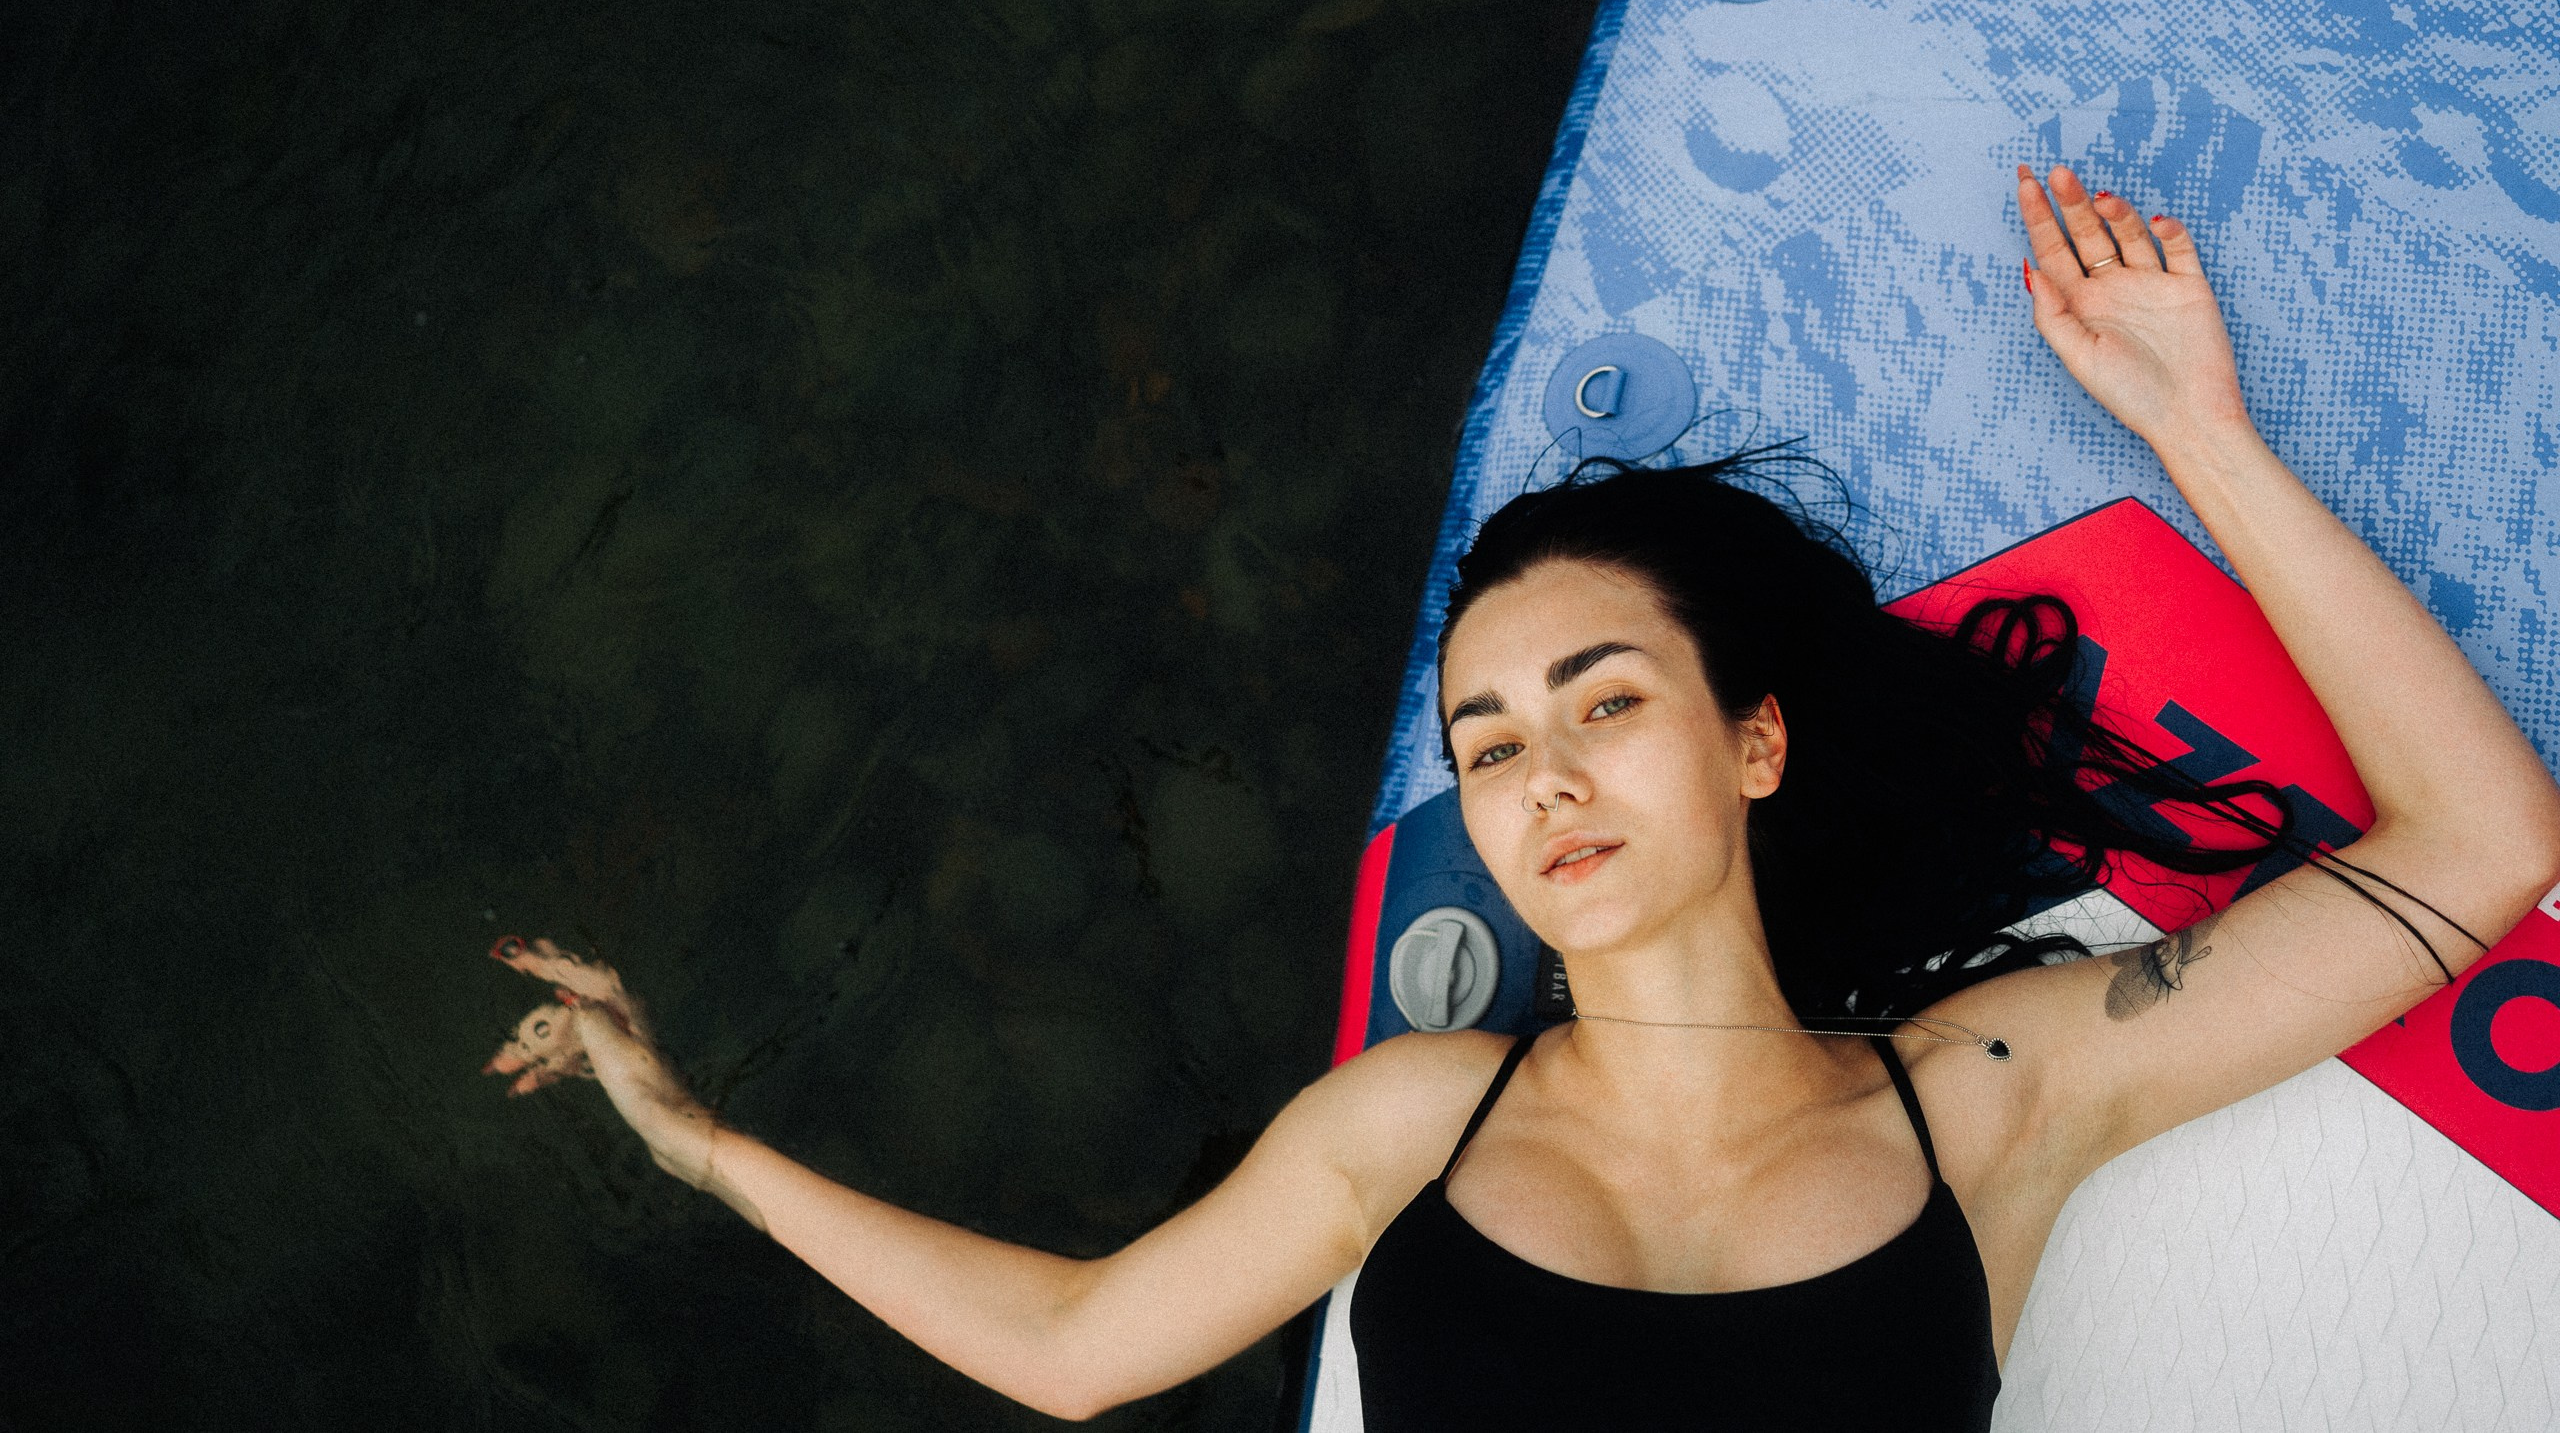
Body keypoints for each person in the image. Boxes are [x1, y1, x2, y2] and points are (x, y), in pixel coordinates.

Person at [480, 165, 2560, 1429]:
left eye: (1597, 702)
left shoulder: (1982, 1090)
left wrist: (2198, 428)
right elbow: (1082, 1339)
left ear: (1752, 741)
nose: (1536, 774)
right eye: (1482, 742)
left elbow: (2474, 846)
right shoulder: (1411, 1118)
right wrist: (695, 1138)